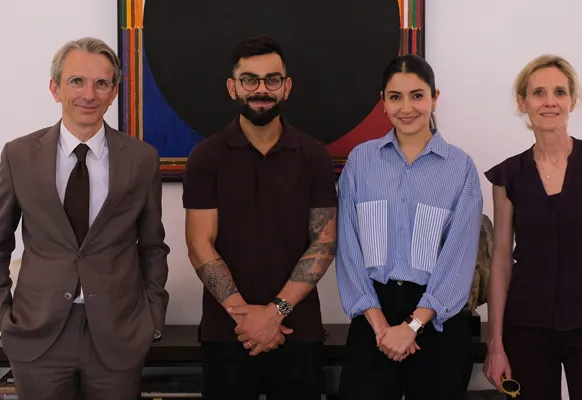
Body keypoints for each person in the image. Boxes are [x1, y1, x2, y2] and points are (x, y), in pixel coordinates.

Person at [0, 37, 170, 399]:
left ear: (113, 93)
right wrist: (3, 318)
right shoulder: (18, 155)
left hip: (118, 333)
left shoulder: (141, 159)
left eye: (101, 83)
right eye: (77, 81)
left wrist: (152, 319)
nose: (88, 94)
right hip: (38, 334)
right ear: (55, 88)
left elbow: (153, 246)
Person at [182, 35, 337, 400]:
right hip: (227, 332)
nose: (261, 89)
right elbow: (198, 244)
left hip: (298, 331)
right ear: (232, 87)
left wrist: (274, 313)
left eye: (272, 80)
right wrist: (246, 317)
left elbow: (324, 242)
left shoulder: (313, 155)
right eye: (250, 79)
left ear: (287, 87)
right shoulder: (206, 156)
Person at [483, 54, 582, 399]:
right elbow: (499, 264)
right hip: (526, 329)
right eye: (538, 92)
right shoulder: (508, 176)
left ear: (572, 100)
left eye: (559, 92)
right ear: (523, 102)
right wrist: (495, 344)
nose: (550, 101)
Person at [336, 54, 483, 400]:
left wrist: (413, 326)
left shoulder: (460, 168)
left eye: (417, 95)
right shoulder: (361, 161)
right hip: (373, 315)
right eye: (395, 96)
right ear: (383, 102)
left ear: (435, 98)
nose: (407, 107)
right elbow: (348, 251)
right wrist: (381, 327)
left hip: (438, 320)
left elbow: (458, 259)